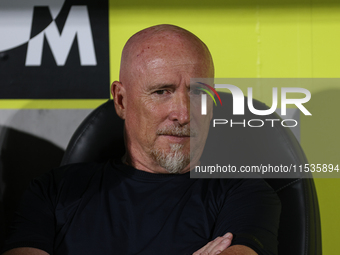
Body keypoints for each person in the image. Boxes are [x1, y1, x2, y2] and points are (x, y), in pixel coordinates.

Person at [1, 24, 280, 255]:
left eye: (199, 93)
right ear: (121, 100)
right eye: (161, 92)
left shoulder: (245, 194)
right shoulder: (53, 192)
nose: (183, 114)